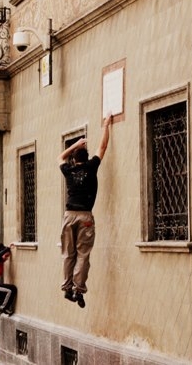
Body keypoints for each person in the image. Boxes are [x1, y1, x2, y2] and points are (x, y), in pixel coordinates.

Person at [57, 115, 111, 308]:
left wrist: (75, 144)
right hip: (85, 216)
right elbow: (102, 147)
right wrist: (106, 125)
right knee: (83, 254)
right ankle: (78, 290)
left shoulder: (68, 170)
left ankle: (66, 287)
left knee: (68, 254)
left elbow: (60, 157)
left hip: (69, 215)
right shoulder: (91, 167)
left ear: (74, 159)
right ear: (86, 158)